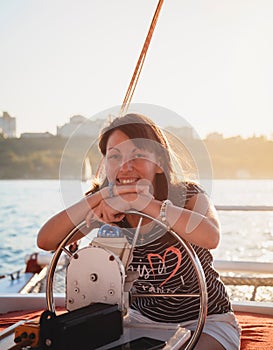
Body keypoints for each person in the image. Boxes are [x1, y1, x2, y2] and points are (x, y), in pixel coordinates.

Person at [37, 113, 241, 350]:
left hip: (207, 320)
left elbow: (211, 236)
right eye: (114, 156)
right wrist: (102, 195)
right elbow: (46, 240)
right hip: (140, 320)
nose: (125, 166)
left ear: (159, 163)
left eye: (138, 155)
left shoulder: (189, 196)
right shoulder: (104, 206)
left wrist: (140, 202)